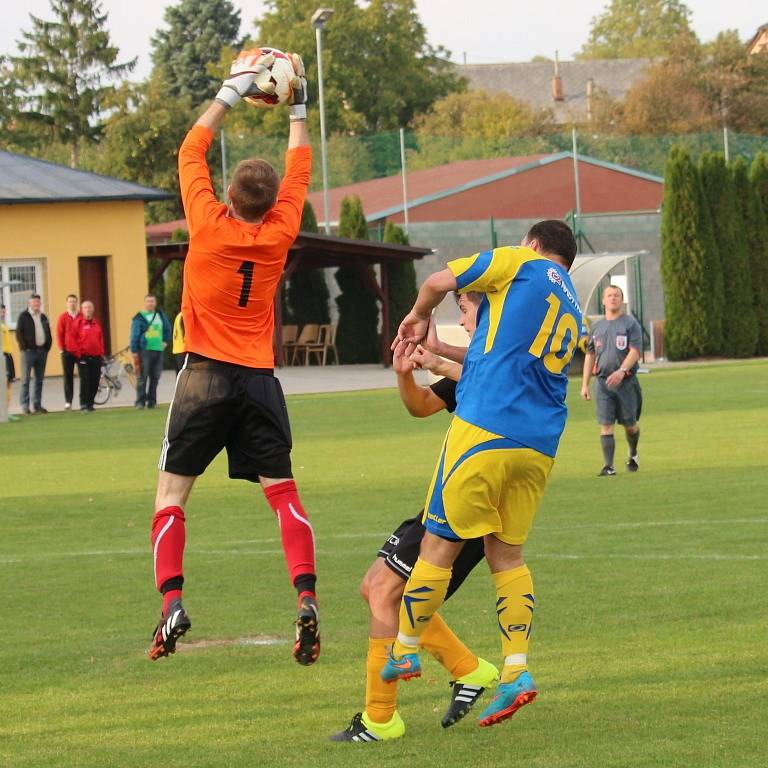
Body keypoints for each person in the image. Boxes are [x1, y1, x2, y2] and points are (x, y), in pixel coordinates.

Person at [147, 49, 320, 667]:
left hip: (203, 377)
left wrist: (230, 89)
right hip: (258, 381)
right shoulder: (280, 232)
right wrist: (297, 102)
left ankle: (171, 604)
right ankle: (305, 597)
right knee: (284, 494)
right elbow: (299, 166)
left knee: (171, 497)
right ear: (274, 202)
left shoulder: (208, 224)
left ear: (227, 195)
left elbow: (190, 150)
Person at [380, 220, 582, 729]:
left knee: (436, 546)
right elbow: (497, 356)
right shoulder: (572, 305)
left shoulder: (521, 262)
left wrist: (417, 318)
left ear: (534, 244)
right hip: (539, 444)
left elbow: (434, 283)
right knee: (506, 554)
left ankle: (405, 650)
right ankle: (516, 669)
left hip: (485, 431)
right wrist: (437, 355)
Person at [332, 292, 500, 743]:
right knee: (376, 588)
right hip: (443, 500)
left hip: (467, 506)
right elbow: (421, 405)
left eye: (465, 312)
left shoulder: (501, 366)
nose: (462, 322)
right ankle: (469, 669)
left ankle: (381, 718)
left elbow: (487, 385)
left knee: (386, 590)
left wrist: (440, 355)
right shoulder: (486, 362)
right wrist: (405, 374)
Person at [580, 285, 643, 476]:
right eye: (609, 295)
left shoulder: (630, 324)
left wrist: (622, 371)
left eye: (616, 295)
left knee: (630, 425)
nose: (613, 298)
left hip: (626, 383)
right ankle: (609, 466)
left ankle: (633, 454)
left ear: (622, 300)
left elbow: (635, 351)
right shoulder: (597, 327)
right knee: (606, 424)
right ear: (603, 300)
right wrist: (584, 384)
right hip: (602, 383)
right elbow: (590, 355)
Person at [130, 294, 172, 409]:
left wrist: (166, 341)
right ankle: (140, 402)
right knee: (142, 377)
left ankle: (152, 401)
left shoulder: (160, 315)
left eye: (152, 301)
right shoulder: (139, 317)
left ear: (155, 302)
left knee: (155, 377)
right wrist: (134, 350)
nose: (150, 303)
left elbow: (168, 328)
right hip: (144, 350)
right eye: (148, 301)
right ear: (144, 303)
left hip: (158, 349)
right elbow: (134, 334)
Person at [15, 293, 52, 415]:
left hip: (42, 351)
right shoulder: (24, 316)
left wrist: (47, 345)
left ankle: (37, 404)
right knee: (25, 379)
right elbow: (19, 334)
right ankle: (25, 406)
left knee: (39, 379)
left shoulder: (43, 317)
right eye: (34, 302)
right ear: (29, 303)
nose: (36, 304)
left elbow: (47, 331)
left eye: (38, 302)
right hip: (29, 352)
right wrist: (24, 348)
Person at [73, 301, 105, 412]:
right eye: (85, 307)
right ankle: (83, 404)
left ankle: (90, 403)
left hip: (96, 356)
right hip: (83, 357)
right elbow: (73, 339)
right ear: (82, 310)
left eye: (90, 307)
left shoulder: (96, 323)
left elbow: (100, 340)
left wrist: (101, 354)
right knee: (85, 380)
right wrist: (78, 354)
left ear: (93, 309)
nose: (88, 309)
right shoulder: (78, 323)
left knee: (95, 380)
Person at [56, 294, 80, 410]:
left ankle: (84, 400)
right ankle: (68, 401)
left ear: (77, 303)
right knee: (68, 377)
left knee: (84, 376)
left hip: (81, 352)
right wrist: (61, 349)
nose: (72, 304)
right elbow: (59, 334)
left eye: (74, 301)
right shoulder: (63, 317)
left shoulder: (82, 316)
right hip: (67, 352)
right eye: (70, 301)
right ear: (67, 303)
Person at [1, 304, 20, 421]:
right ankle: (2, 411)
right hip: (2, 356)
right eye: (1, 312)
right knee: (3, 383)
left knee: (8, 383)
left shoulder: (4, 325)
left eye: (4, 312)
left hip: (8, 356)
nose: (3, 314)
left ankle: (6, 410)